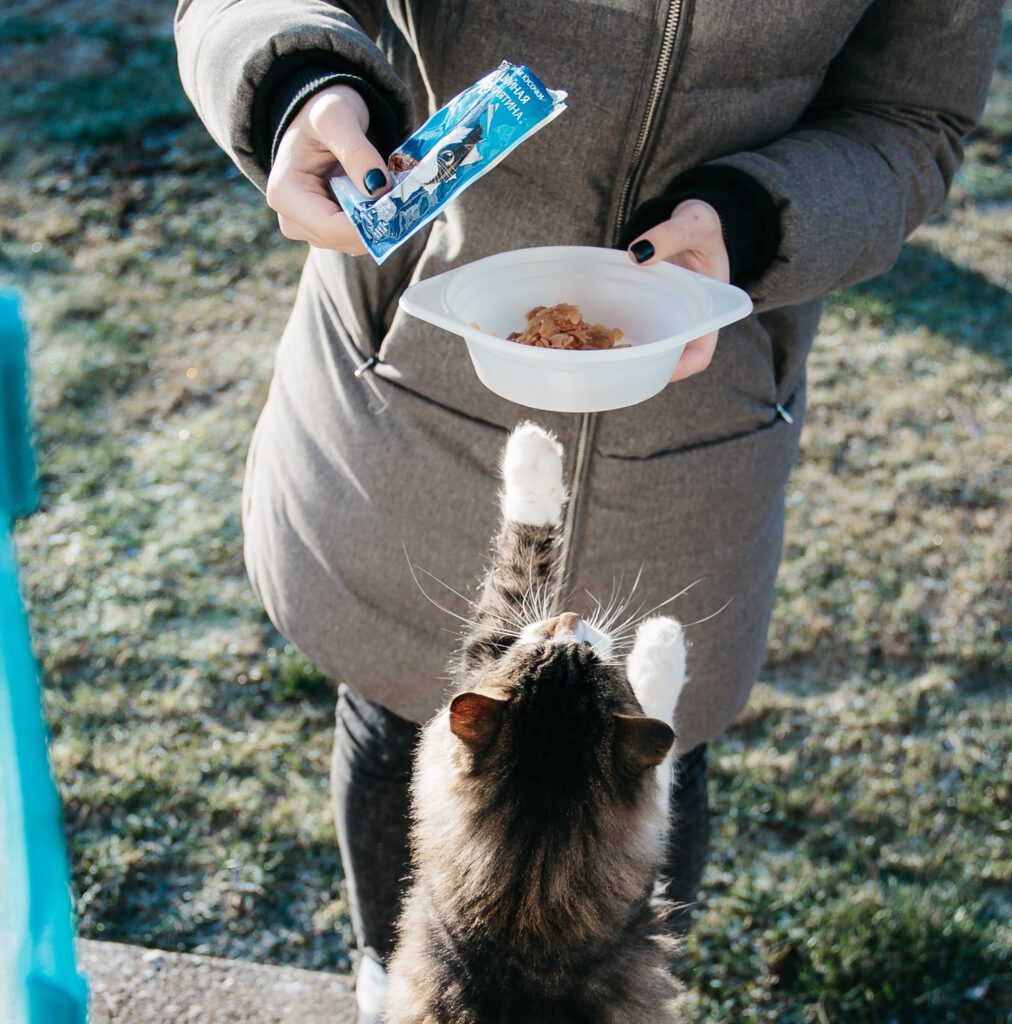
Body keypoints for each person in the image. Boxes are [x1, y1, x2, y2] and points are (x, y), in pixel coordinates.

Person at [174, 2, 1001, 1020]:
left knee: (651, 762)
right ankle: (391, 988)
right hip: (419, 375)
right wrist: (295, 79)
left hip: (698, 422)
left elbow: (912, 118)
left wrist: (751, 221)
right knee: (398, 717)